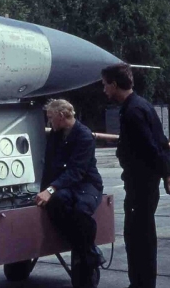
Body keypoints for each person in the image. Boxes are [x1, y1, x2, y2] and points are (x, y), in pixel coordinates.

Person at [101, 63, 170, 288]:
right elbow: (162, 142)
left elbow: (151, 148)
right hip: (145, 185)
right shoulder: (142, 105)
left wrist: (160, 174)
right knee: (142, 237)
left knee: (137, 240)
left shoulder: (133, 112)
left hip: (140, 187)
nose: (104, 90)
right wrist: (167, 174)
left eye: (105, 85)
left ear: (114, 84)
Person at [36, 99, 105, 288]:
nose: (49, 122)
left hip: (86, 184)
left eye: (51, 118)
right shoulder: (56, 136)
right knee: (56, 204)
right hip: (65, 185)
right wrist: (43, 192)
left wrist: (51, 189)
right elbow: (49, 166)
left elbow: (77, 171)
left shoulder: (84, 136)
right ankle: (87, 250)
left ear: (61, 116)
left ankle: (87, 253)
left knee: (81, 210)